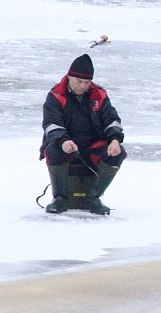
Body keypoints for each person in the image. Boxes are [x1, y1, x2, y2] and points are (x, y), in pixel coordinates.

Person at [39, 54, 126, 215]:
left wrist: (114, 139)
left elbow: (111, 120)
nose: (83, 86)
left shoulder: (99, 95)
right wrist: (63, 141)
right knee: (53, 150)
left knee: (117, 153)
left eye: (87, 82)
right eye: (79, 81)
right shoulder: (56, 96)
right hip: (66, 143)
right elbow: (51, 124)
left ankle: (93, 198)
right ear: (69, 77)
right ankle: (60, 198)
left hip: (92, 145)